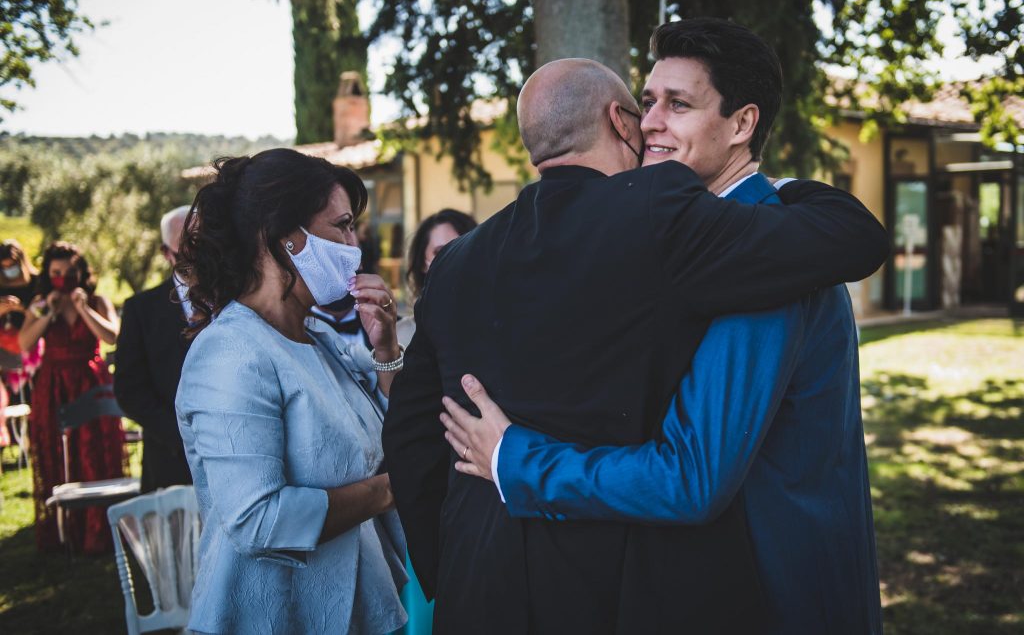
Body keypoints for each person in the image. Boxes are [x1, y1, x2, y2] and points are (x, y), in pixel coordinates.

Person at [382, 53, 889, 632]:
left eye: (675, 104)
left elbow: (410, 436)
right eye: (646, 106)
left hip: (478, 586)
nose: (652, 125)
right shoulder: (661, 215)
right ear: (621, 122)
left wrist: (449, 570)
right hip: (610, 590)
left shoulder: (456, 263)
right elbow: (852, 237)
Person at [174, 149, 408, 634]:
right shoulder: (232, 353)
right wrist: (389, 490)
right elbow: (257, 519)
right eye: (341, 226)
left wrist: (385, 346)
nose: (353, 243)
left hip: (363, 610)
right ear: (288, 240)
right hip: (274, 616)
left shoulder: (319, 337)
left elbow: (397, 434)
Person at [19, 241, 123, 553]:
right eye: (56, 272)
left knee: (94, 448)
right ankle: (65, 529)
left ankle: (99, 528)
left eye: (69, 272)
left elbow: (112, 336)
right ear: (48, 274)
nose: (63, 277)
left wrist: (83, 309)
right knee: (57, 450)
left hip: (90, 382)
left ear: (80, 272)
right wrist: (48, 313)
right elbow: (25, 342)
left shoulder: (96, 300)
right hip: (53, 387)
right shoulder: (40, 304)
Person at [114, 205, 194, 493]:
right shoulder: (142, 310)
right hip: (170, 461)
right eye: (187, 249)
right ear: (166, 253)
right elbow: (129, 390)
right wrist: (182, 434)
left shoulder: (237, 297)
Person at [397, 209, 477, 347]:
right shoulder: (400, 336)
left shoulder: (504, 324)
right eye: (440, 251)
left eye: (462, 247)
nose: (452, 258)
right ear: (422, 263)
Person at [0, 240, 42, 400]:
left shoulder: (36, 281)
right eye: (3, 267)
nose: (8, 270)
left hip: (32, 346)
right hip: (5, 348)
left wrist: (22, 309)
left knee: (32, 396)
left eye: (11, 266)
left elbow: (43, 313)